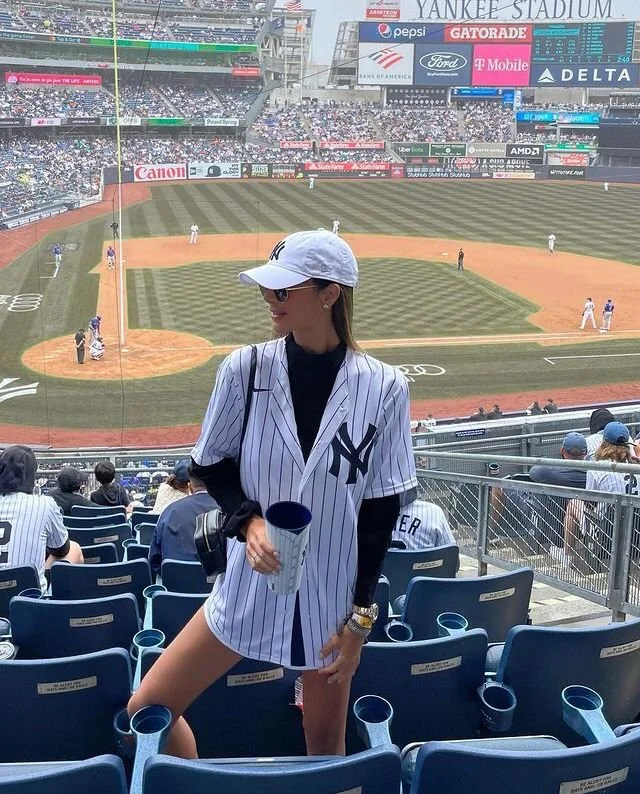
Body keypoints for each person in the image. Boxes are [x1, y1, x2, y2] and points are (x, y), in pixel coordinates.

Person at [128, 229, 417, 758]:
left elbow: (378, 513)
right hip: (246, 586)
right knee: (148, 708)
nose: (269, 299)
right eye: (268, 288)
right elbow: (209, 464)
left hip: (332, 597)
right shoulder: (244, 367)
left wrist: (359, 620)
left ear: (329, 294)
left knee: (325, 741)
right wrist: (247, 521)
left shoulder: (386, 386)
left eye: (284, 291)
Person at [0, 446, 84, 591]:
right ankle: (65, 604)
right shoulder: (44, 504)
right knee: (74, 548)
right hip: (29, 601)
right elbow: (61, 550)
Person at [148, 465, 218, 574]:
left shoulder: (170, 511)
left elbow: (154, 559)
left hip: (174, 587)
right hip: (219, 588)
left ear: (190, 487)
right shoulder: (229, 511)